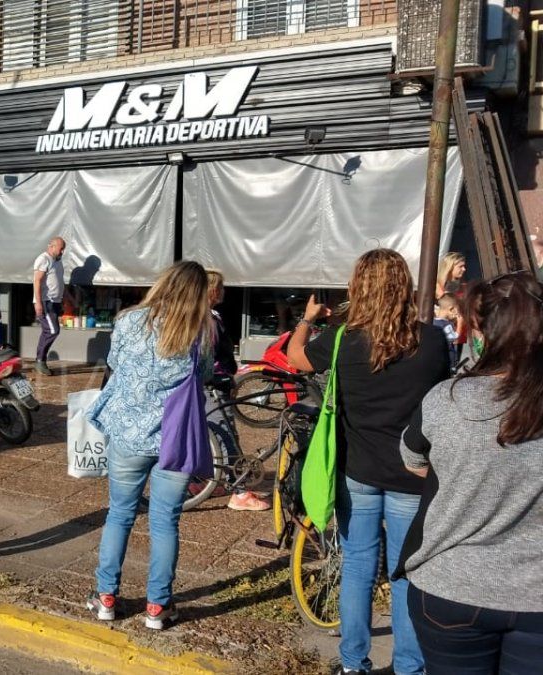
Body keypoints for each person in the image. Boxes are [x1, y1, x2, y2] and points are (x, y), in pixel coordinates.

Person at [287, 249, 450, 675]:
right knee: (404, 573)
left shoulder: (342, 339)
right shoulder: (432, 341)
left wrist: (307, 319)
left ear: (357, 288)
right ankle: (408, 667)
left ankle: (353, 663)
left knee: (357, 567)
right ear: (405, 287)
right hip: (411, 473)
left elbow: (294, 357)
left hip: (357, 470)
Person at [399, 271, 543, 673]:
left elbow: (413, 460)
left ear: (481, 329)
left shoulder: (446, 400)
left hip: (450, 585)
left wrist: (470, 479)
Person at [85, 261, 215, 628]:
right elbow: (204, 375)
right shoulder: (200, 332)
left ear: (163, 284)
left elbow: (114, 362)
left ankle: (106, 597)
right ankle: (158, 606)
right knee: (165, 522)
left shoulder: (130, 320)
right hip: (175, 441)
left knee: (119, 514)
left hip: (128, 435)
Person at [204, 270, 270, 512]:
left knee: (215, 433)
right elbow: (216, 354)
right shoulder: (208, 319)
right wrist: (228, 373)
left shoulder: (202, 317)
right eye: (221, 287)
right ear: (213, 290)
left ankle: (212, 481)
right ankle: (240, 492)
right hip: (214, 383)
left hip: (209, 382)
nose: (224, 291)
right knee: (226, 435)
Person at [33, 237, 70, 376]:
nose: (62, 252)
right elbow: (37, 281)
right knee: (52, 330)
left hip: (55, 302)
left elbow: (59, 282)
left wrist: (66, 298)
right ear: (52, 246)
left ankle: (40, 361)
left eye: (63, 249)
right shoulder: (44, 259)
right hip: (45, 301)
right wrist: (38, 303)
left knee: (48, 331)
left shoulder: (57, 262)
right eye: (61, 249)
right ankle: (39, 360)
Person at [432, 293, 461, 373]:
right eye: (457, 311)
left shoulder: (433, 322)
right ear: (451, 309)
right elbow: (454, 338)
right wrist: (460, 323)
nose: (457, 314)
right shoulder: (446, 325)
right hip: (447, 358)